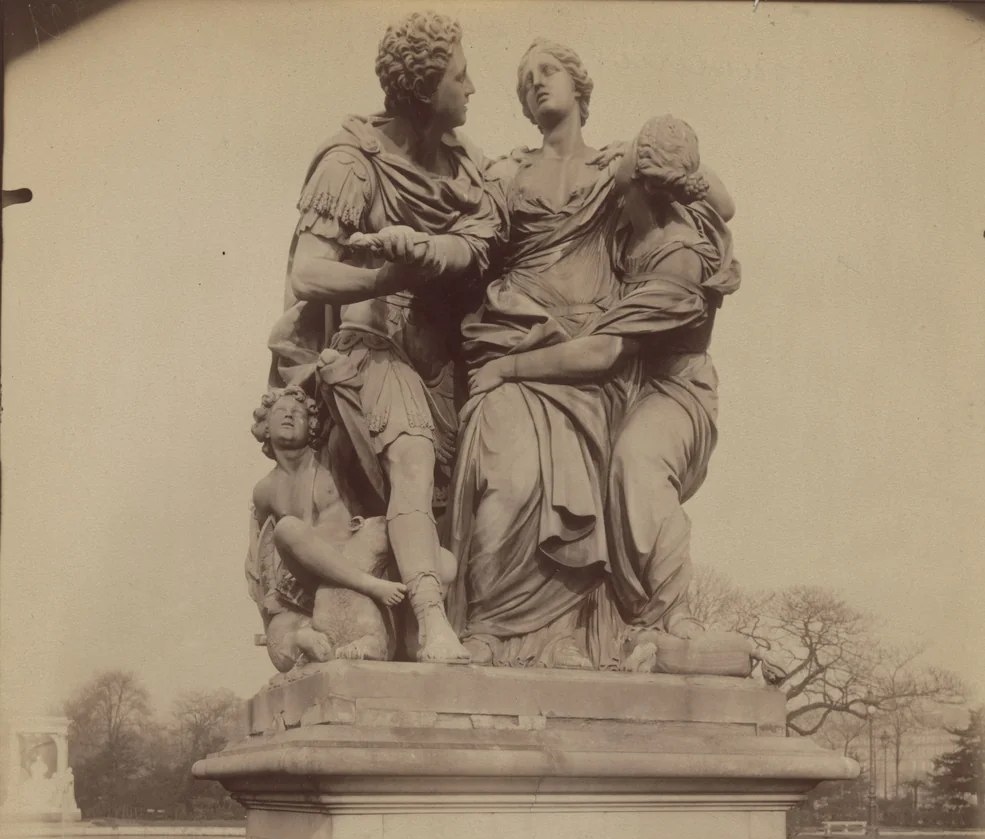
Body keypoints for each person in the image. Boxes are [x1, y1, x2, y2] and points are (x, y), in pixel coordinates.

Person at [267, 12, 502, 664]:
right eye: (460, 75)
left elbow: (487, 238)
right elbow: (308, 272)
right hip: (368, 349)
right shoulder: (351, 162)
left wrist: (433, 251)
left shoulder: (469, 169)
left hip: (445, 357)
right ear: (427, 90)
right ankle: (430, 624)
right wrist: (387, 272)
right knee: (411, 452)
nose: (473, 88)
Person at [469, 115, 739, 668]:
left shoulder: (680, 255)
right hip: (623, 381)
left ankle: (667, 615)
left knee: (635, 462)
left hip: (672, 392)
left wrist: (510, 369)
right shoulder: (623, 227)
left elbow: (603, 352)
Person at [444, 39, 625, 670]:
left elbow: (713, 197)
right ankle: (488, 625)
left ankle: (562, 637)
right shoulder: (503, 173)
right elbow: (467, 246)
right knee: (513, 480)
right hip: (510, 336)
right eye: (524, 81)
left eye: (547, 72)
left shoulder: (615, 170)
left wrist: (661, 155)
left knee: (575, 491)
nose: (535, 84)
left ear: (579, 84)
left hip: (585, 358)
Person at [247, 386, 404, 671]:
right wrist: (272, 604)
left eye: (298, 413)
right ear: (264, 427)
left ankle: (368, 597)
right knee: (288, 530)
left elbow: (350, 427)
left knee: (442, 562)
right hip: (312, 576)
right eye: (280, 412)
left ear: (312, 424)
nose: (290, 416)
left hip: (360, 557)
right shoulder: (265, 490)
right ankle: (308, 636)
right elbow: (263, 552)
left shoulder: (331, 458)